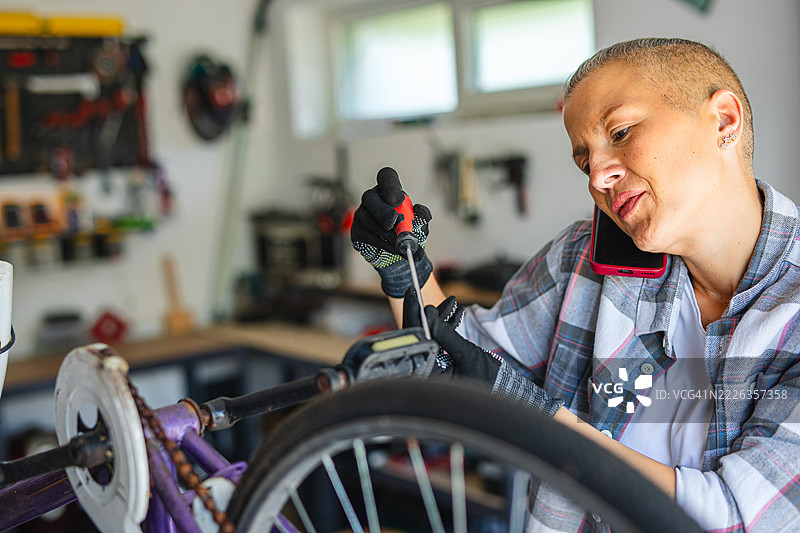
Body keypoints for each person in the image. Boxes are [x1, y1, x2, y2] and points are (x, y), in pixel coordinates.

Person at [349, 37, 800, 532]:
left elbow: (736, 518)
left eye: (622, 132)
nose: (598, 177)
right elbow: (460, 358)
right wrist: (402, 269)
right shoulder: (585, 259)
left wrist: (536, 414)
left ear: (724, 121)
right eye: (586, 161)